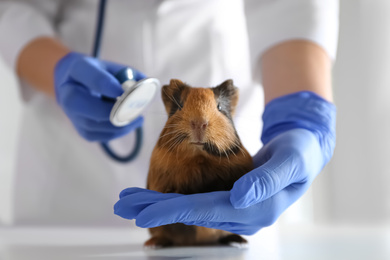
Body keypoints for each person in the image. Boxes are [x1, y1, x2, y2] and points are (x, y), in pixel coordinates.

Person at [0, 0, 338, 231]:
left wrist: (300, 116)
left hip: (223, 68)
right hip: (73, 181)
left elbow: (290, 7)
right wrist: (57, 71)